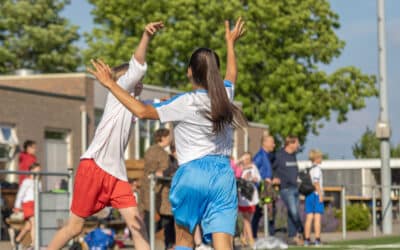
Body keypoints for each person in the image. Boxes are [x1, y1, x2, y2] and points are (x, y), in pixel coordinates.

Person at [88, 17, 246, 250]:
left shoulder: (185, 101)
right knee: (225, 245)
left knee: (183, 240)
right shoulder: (225, 95)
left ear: (189, 71)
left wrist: (111, 84)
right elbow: (232, 74)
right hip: (223, 175)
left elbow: (141, 111)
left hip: (193, 173)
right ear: (215, 72)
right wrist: (230, 43)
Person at [47, 21, 164, 250]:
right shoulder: (119, 94)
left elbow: (160, 106)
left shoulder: (133, 106)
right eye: (135, 81)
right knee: (75, 227)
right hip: (95, 167)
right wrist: (146, 36)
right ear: (123, 82)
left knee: (136, 223)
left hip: (116, 174)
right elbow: (138, 66)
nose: (139, 84)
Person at [140, 128, 171, 246]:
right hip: (158, 190)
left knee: (149, 220)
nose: (170, 139)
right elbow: (164, 170)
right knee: (165, 219)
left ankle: (148, 244)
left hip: (147, 188)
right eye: (168, 137)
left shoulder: (149, 150)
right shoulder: (161, 153)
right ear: (162, 138)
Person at [272, 136, 304, 245]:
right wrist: (274, 177)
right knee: (294, 212)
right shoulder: (279, 155)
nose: (298, 146)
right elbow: (271, 167)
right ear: (290, 143)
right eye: (297, 143)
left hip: (295, 188)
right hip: (285, 189)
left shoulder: (293, 156)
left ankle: (292, 236)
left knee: (292, 213)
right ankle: (302, 230)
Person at [251, 135, 275, 238]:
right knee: (258, 212)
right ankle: (252, 235)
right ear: (264, 143)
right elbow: (252, 169)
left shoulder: (268, 155)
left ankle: (268, 234)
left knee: (267, 211)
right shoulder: (260, 156)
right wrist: (260, 182)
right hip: (260, 189)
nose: (274, 144)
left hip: (266, 188)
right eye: (272, 142)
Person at [13, 162, 41, 248]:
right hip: (27, 204)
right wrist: (17, 206)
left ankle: (18, 239)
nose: (38, 172)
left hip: (35, 204)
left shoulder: (39, 182)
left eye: (39, 171)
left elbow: (39, 194)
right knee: (34, 222)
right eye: (36, 170)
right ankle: (34, 244)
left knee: (29, 226)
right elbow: (20, 194)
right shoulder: (26, 181)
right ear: (31, 171)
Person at [237, 152, 261, 248]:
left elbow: (259, 178)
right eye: (245, 159)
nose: (247, 161)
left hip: (251, 195)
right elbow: (237, 177)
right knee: (246, 219)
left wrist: (255, 178)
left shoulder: (253, 167)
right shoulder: (240, 168)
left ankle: (243, 237)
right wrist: (244, 176)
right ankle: (251, 240)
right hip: (243, 195)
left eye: (248, 159)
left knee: (249, 219)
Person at [304, 149, 324, 246]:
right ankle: (317, 239)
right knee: (317, 218)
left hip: (308, 194)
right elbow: (316, 183)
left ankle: (306, 240)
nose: (322, 159)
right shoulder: (317, 169)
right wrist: (320, 195)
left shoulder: (310, 169)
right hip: (315, 194)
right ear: (316, 158)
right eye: (320, 157)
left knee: (309, 217)